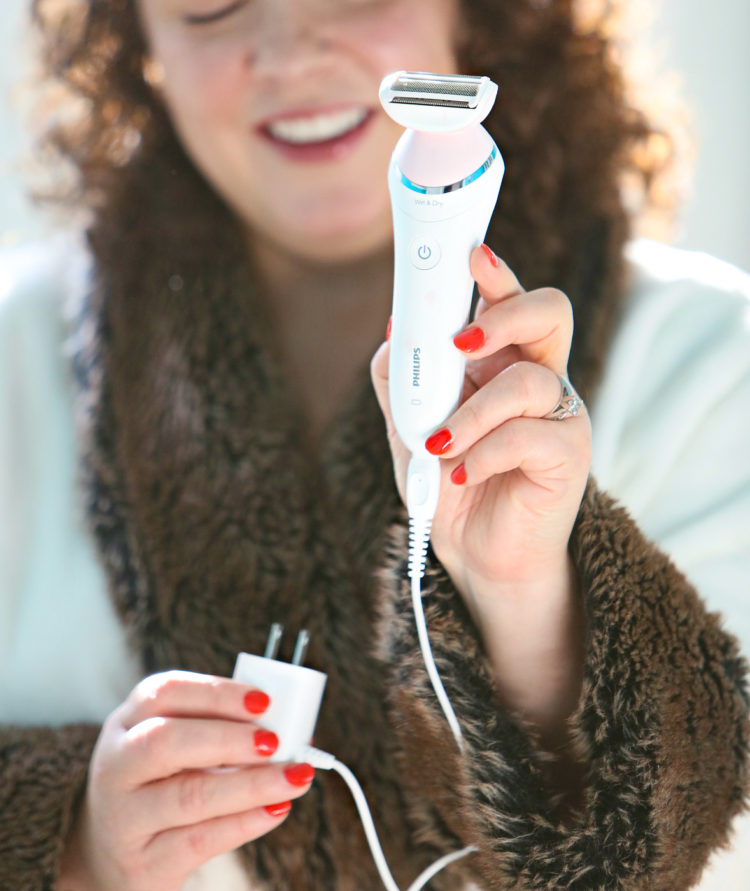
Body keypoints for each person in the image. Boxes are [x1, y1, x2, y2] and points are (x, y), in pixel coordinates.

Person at [1, 0, 748, 888]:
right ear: (136, 40)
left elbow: (716, 830)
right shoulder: (16, 358)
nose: (288, 50)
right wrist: (72, 842)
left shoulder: (711, 363)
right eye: (209, 4)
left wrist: (522, 596)